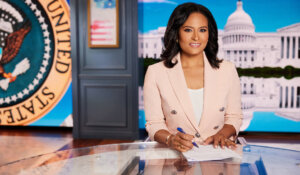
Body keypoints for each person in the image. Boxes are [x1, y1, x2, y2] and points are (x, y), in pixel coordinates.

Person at [143, 2, 243, 152]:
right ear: (176, 33)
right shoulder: (156, 72)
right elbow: (154, 123)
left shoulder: (227, 70)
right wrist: (171, 139)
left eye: (202, 30)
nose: (196, 37)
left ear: (209, 34)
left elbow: (234, 116)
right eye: (188, 30)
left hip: (217, 154)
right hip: (175, 159)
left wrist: (222, 134)